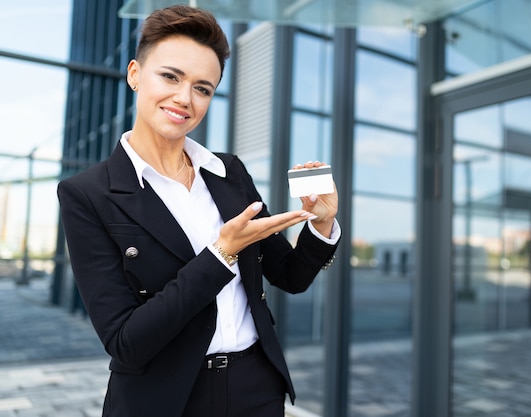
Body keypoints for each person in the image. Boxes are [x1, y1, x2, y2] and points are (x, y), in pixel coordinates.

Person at [57, 5, 340, 417]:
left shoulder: (229, 173)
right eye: (170, 77)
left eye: (203, 88)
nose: (184, 98)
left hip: (256, 388)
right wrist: (221, 254)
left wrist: (322, 222)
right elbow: (125, 341)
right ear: (135, 74)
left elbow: (290, 276)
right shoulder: (87, 194)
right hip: (163, 399)